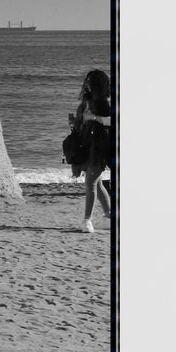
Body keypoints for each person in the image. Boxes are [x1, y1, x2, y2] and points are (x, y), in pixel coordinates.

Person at [69, 69, 113, 233]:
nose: (86, 83)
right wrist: (76, 121)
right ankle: (109, 218)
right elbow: (85, 122)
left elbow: (111, 121)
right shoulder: (88, 100)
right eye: (86, 81)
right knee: (97, 184)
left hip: (99, 147)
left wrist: (92, 118)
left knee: (90, 184)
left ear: (97, 84)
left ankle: (87, 221)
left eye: (90, 81)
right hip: (87, 145)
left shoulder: (103, 101)